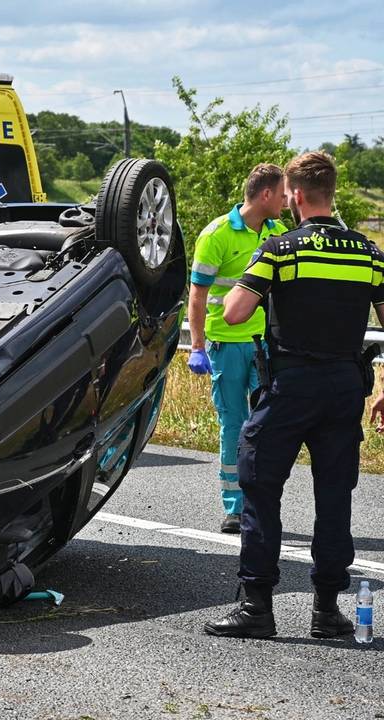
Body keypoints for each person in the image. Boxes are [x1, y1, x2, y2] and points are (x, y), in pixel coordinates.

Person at [204, 151, 384, 639]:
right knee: (334, 496)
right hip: (345, 387)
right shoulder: (368, 253)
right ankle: (328, 610)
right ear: (333, 193)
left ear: (296, 196)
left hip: (290, 385)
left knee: (259, 486)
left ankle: (257, 606)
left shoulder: (282, 250)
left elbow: (237, 312)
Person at [186, 164, 288, 534]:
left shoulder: (279, 234)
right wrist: (197, 345)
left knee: (265, 426)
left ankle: (258, 500)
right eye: (282, 194)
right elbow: (197, 294)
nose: (286, 201)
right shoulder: (217, 234)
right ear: (265, 195)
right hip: (226, 344)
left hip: (265, 345)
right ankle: (234, 507)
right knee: (234, 425)